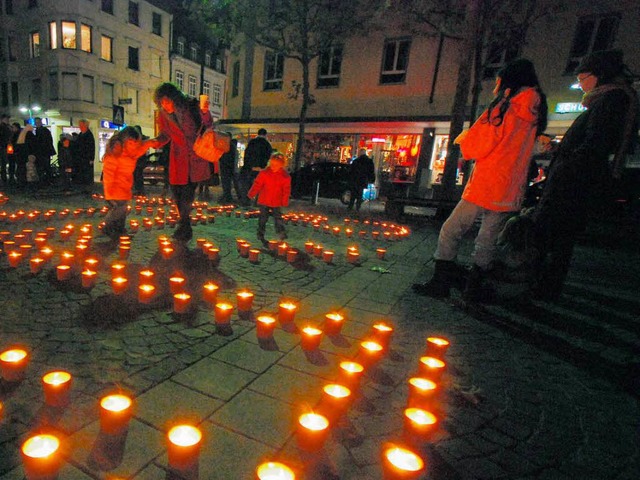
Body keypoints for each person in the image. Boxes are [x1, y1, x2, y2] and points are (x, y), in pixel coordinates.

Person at [413, 59, 548, 302]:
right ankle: (473, 291)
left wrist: (465, 141)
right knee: (486, 240)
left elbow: (480, 144)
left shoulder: (503, 109)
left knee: (450, 230)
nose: (495, 85)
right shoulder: (534, 112)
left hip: (487, 183)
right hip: (510, 187)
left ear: (508, 81)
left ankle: (441, 282)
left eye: (499, 80)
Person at [530, 49, 639, 301]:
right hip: (573, 179)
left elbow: (595, 145)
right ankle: (544, 287)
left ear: (598, 75)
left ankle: (541, 288)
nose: (579, 84)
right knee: (559, 237)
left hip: (572, 184)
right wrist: (559, 149)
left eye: (582, 77)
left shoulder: (610, 101)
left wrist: (565, 165)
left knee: (552, 236)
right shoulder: (607, 100)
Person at [153, 82, 213, 242]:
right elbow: (165, 135)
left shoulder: (191, 107)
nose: (164, 105)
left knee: (187, 194)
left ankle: (184, 227)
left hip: (195, 156)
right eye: (161, 103)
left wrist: (206, 112)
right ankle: (185, 226)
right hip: (177, 158)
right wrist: (153, 142)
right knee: (177, 194)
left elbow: (208, 125)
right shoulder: (163, 115)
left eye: (167, 101)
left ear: (175, 98)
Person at [101, 127, 159, 240]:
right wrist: (109, 193)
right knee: (118, 210)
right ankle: (108, 227)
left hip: (125, 187)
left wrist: (152, 142)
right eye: (131, 142)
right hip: (114, 188)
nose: (134, 145)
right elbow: (108, 174)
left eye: (135, 143)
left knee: (123, 211)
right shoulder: (115, 153)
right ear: (124, 140)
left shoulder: (132, 151)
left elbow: (142, 147)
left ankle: (120, 230)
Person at [248, 152, 291, 247]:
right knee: (263, 218)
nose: (273, 166)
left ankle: (281, 232)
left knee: (278, 218)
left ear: (281, 165)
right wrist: (252, 193)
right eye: (272, 164)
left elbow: (286, 190)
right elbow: (257, 184)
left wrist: (284, 200)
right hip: (264, 200)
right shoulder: (264, 173)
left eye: (276, 165)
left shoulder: (285, 176)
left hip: (276, 201)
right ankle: (260, 233)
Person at [240, 128, 272, 205]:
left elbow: (247, 154)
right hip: (260, 168)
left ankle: (246, 200)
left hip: (250, 167)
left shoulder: (252, 142)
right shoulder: (267, 144)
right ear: (265, 135)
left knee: (248, 185)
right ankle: (258, 201)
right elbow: (268, 156)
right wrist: (262, 165)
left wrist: (248, 165)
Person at [31, 117, 56, 186]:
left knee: (44, 167)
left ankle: (46, 181)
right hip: (44, 152)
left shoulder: (42, 131)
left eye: (38, 122)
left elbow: (43, 142)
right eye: (36, 122)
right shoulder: (42, 130)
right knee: (45, 167)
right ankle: (47, 181)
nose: (37, 124)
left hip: (43, 152)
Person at [218, 136, 242, 204]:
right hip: (232, 169)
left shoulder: (224, 147)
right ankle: (239, 197)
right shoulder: (235, 148)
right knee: (236, 184)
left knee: (227, 184)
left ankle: (228, 197)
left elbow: (220, 158)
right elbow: (237, 160)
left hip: (226, 169)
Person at [74, 119, 95, 192]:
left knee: (87, 173)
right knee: (81, 173)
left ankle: (87, 188)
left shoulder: (89, 135)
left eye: (81, 125)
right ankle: (82, 187)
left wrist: (91, 159)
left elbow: (91, 147)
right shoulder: (80, 134)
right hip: (80, 158)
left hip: (86, 158)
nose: (79, 126)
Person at [0, 114, 13, 185]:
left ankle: (5, 178)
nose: (8, 120)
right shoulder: (3, 127)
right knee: (5, 162)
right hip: (5, 147)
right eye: (7, 119)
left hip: (6, 147)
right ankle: (4, 178)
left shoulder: (7, 127)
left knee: (5, 163)